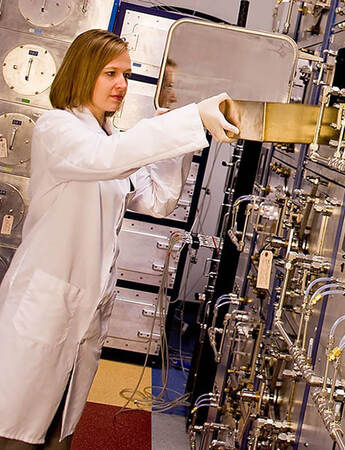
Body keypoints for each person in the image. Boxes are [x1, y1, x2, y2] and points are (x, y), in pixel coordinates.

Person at [0, 29, 239, 449]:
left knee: (58, 429)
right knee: (16, 427)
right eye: (110, 73)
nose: (122, 85)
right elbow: (104, 162)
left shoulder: (108, 136)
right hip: (45, 305)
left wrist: (181, 134)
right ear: (82, 72)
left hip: (84, 312)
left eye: (126, 74)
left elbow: (157, 199)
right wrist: (188, 121)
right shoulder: (58, 128)